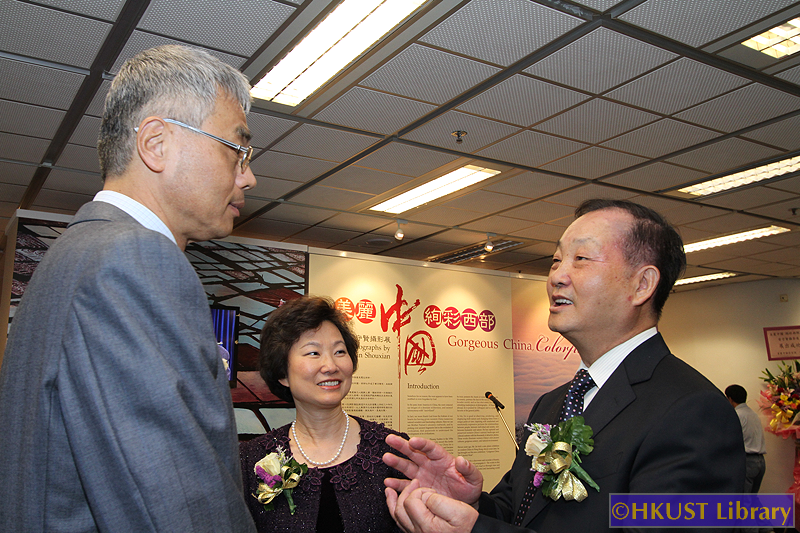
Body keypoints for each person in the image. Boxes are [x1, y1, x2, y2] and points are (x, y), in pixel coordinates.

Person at [0, 45, 257, 532]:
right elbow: (171, 501)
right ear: (156, 143)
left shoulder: (78, 252)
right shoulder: (134, 258)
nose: (249, 175)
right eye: (237, 149)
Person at [382, 199, 746, 533]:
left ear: (642, 285)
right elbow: (524, 513)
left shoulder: (693, 411)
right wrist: (471, 503)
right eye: (556, 260)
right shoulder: (554, 403)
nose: (556, 276)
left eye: (581, 259)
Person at [240, 296, 408, 532]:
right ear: (282, 373)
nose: (331, 366)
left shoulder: (392, 449)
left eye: (339, 351)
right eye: (313, 353)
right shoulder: (250, 460)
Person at [725, 385, 767, 494]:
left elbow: (730, 440)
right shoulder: (753, 414)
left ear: (730, 399)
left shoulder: (737, 415)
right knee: (752, 499)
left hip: (746, 462)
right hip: (760, 462)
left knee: (742, 500)